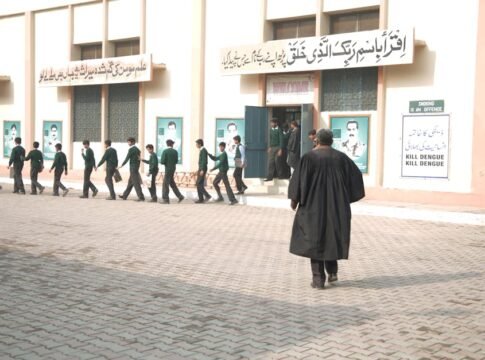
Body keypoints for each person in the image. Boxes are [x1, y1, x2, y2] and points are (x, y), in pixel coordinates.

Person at [288, 129, 365, 289]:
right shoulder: (341, 158)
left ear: (316, 140)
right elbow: (356, 177)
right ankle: (332, 272)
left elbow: (298, 180)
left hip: (312, 206)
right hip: (336, 206)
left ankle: (318, 279)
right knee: (331, 237)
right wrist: (345, 199)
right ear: (331, 141)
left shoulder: (308, 158)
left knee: (314, 239)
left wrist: (294, 201)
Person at [118, 137, 145, 201]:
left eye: (129, 142)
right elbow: (139, 159)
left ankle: (141, 197)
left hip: (133, 168)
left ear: (132, 142)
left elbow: (127, 158)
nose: (128, 143)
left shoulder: (131, 149)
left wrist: (121, 165)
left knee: (136, 183)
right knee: (130, 182)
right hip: (136, 167)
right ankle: (125, 195)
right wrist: (137, 167)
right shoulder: (137, 149)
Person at [160, 139, 184, 204]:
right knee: (172, 184)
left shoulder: (165, 151)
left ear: (167, 144)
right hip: (173, 169)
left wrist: (166, 163)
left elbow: (162, 161)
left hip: (167, 169)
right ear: (172, 144)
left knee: (165, 184)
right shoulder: (175, 152)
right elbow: (176, 161)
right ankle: (180, 196)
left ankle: (166, 199)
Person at [194, 139, 212, 203]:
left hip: (203, 169)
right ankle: (202, 198)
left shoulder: (203, 150)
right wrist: (199, 169)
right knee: (200, 184)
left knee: (198, 183)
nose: (196, 145)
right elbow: (201, 162)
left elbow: (204, 161)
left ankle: (205, 196)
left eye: (196, 144)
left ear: (199, 144)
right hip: (201, 168)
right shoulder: (202, 150)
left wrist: (202, 170)